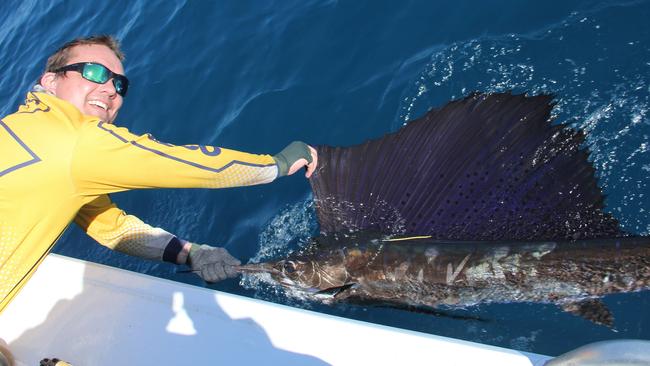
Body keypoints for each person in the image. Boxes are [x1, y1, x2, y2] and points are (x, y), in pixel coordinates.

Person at [0, 34, 317, 321]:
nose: (110, 89)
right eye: (94, 72)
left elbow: (109, 226)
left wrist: (190, 252)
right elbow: (185, 163)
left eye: (120, 85)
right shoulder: (74, 140)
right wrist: (277, 164)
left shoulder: (19, 128)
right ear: (51, 80)